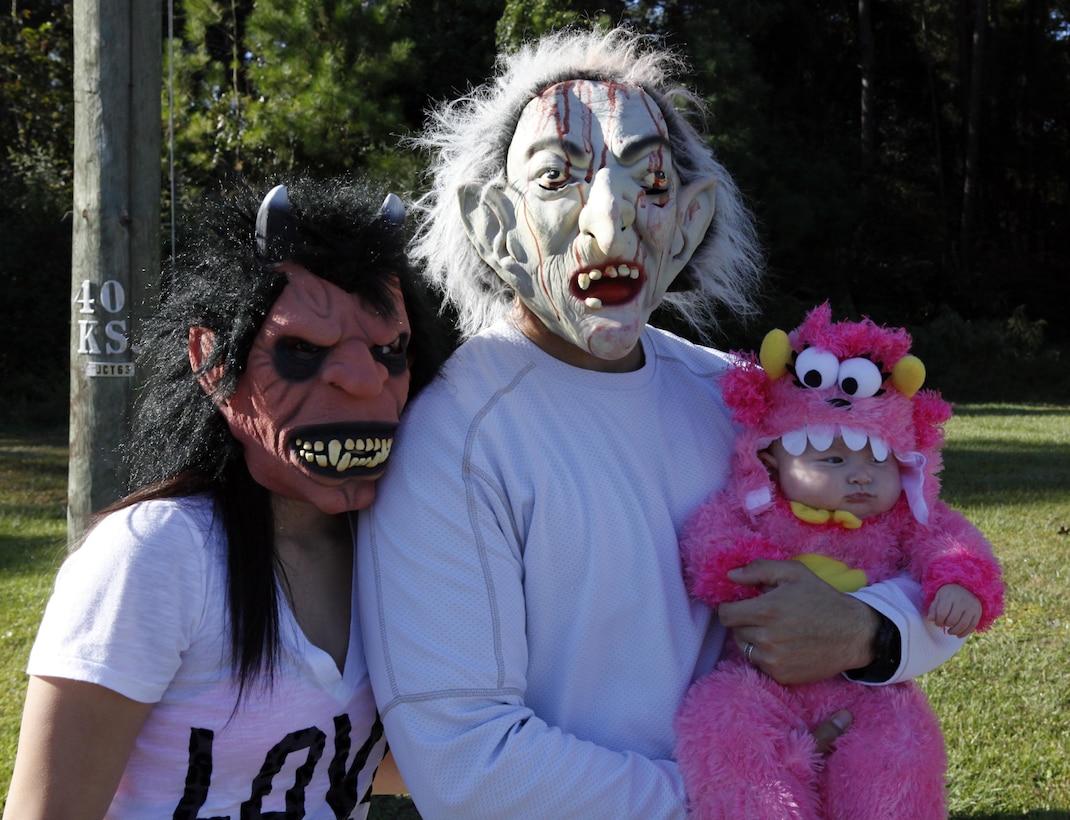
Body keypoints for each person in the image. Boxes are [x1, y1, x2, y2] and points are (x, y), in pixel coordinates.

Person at [356, 26, 966, 817]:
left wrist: (869, 635)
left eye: (649, 182)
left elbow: (932, 561)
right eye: (558, 178)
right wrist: (735, 798)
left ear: (689, 218)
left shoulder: (734, 399)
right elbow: (468, 764)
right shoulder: (456, 440)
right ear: (494, 221)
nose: (610, 223)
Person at [3, 177, 446, 819]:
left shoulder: (388, 552)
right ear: (213, 363)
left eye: (391, 351)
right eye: (300, 350)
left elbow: (390, 762)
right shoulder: (154, 558)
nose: (363, 379)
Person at [674, 303, 1004, 818]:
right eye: (833, 458)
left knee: (900, 749)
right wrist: (745, 574)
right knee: (723, 718)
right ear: (769, 458)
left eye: (879, 460)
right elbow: (711, 542)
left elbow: (950, 540)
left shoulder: (899, 521)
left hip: (869, 691)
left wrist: (960, 581)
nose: (860, 476)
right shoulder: (758, 511)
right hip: (760, 681)